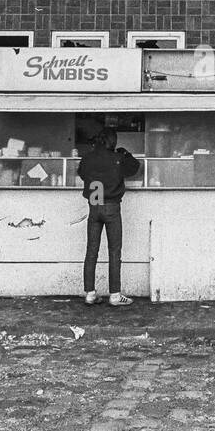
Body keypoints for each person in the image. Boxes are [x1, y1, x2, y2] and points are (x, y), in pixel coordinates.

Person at [77, 127, 141, 306]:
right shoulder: (118, 159)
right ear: (113, 142)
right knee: (114, 251)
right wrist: (125, 153)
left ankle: (90, 293)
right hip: (111, 208)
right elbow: (135, 168)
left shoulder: (87, 158)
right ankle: (114, 295)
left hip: (94, 206)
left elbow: (81, 173)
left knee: (91, 251)